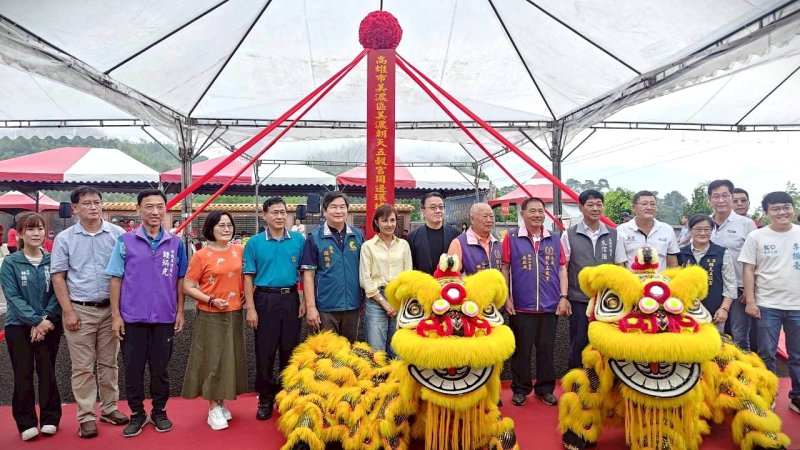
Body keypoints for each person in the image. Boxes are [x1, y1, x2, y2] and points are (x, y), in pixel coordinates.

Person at [106, 189, 187, 437]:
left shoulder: (176, 243)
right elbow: (116, 279)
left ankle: (159, 411)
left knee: (160, 369)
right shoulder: (125, 242)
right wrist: (116, 315)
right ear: (138, 209)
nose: (155, 212)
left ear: (166, 209)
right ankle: (137, 413)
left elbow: (180, 279)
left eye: (160, 206)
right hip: (132, 319)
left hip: (165, 318)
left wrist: (181, 311)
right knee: (133, 369)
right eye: (149, 206)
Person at [51, 186, 128, 439]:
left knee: (109, 363)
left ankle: (109, 408)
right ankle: (86, 416)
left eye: (97, 202)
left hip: (111, 310)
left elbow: (126, 273)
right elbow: (59, 278)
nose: (93, 207)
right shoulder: (65, 238)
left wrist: (120, 311)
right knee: (82, 367)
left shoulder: (118, 234)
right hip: (80, 310)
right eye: (87, 203)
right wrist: (69, 312)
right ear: (75, 208)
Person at [181, 211, 247, 430]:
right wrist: (210, 300)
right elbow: (188, 287)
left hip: (235, 311)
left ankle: (221, 401)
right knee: (211, 359)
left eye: (229, 225)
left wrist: (246, 293)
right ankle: (212, 407)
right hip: (210, 314)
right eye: (221, 225)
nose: (226, 229)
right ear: (210, 228)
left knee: (229, 358)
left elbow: (246, 278)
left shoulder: (240, 250)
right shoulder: (201, 255)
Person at [0, 213, 62, 441]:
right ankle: (25, 422)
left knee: (47, 372)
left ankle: (50, 418)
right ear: (20, 234)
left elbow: (58, 291)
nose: (36, 234)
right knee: (23, 374)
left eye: (40, 229)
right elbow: (12, 296)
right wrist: (35, 320)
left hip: (49, 325)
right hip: (18, 326)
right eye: (31, 229)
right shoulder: (11, 262)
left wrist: (45, 321)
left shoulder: (53, 259)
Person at [501, 197, 568, 408]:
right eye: (532, 211)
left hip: (549, 305)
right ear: (522, 214)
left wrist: (563, 297)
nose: (537, 215)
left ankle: (545, 389)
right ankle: (520, 390)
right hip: (521, 305)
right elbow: (505, 268)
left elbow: (562, 268)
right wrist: (506, 296)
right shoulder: (511, 238)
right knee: (522, 350)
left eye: (540, 211)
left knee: (547, 350)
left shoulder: (554, 238)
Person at [243, 197, 305, 421]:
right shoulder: (254, 243)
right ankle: (265, 398)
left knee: (290, 350)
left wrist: (306, 301)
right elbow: (248, 278)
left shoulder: (299, 240)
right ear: (265, 215)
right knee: (265, 351)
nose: (280, 217)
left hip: (290, 299)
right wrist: (250, 308)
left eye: (283, 212)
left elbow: (307, 274)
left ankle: (287, 397)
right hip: (264, 300)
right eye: (275, 212)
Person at [739, 191, 800, 415]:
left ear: (792, 209)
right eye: (775, 209)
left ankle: (797, 398)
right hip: (767, 304)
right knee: (766, 353)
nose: (782, 212)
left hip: (797, 306)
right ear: (766, 213)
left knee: (798, 355)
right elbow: (748, 269)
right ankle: (767, 395)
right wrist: (751, 301)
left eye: (786, 207)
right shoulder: (757, 237)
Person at [561, 190, 627, 369]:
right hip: (579, 299)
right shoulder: (569, 235)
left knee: (607, 344)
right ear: (581, 208)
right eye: (590, 205)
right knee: (579, 341)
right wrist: (564, 297)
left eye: (599, 204)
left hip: (608, 302)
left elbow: (620, 266)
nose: (595, 208)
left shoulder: (615, 235)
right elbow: (564, 268)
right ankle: (576, 384)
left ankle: (603, 387)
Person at [301, 192, 363, 343]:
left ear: (347, 210)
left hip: (352, 306)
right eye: (333, 207)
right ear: (324, 211)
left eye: (342, 207)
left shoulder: (358, 235)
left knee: (348, 353)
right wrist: (311, 307)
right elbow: (308, 275)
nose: (338, 211)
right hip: (325, 308)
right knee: (327, 356)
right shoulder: (315, 238)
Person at [707, 179, 757, 350]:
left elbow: (757, 259)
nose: (721, 200)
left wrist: (751, 290)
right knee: (711, 332)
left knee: (739, 336)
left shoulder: (746, 224)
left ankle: (743, 374)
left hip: (738, 289)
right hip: (710, 288)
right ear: (710, 200)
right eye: (716, 196)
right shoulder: (704, 224)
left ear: (731, 197)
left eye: (725, 196)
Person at [359, 205, 412, 358]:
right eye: (384, 220)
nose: (389, 224)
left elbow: (407, 276)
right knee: (377, 351)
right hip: (376, 300)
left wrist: (399, 300)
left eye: (392, 220)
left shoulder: (404, 245)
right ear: (376, 222)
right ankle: (379, 381)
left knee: (398, 349)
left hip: (399, 299)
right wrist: (384, 302)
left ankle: (396, 381)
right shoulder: (367, 246)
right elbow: (365, 279)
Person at [676, 215, 736, 333]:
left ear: (712, 230)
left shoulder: (722, 252)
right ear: (690, 230)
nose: (702, 233)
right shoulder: (680, 253)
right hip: (685, 311)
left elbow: (731, 284)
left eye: (707, 229)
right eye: (698, 229)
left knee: (715, 345)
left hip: (715, 310)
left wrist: (724, 308)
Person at [617, 190, 679, 272]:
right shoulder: (621, 230)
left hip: (659, 283)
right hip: (633, 283)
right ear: (633, 207)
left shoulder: (667, 229)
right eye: (644, 204)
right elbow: (620, 264)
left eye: (653, 204)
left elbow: (672, 263)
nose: (649, 207)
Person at [407, 192, 460, 275]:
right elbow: (411, 266)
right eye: (433, 207)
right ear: (423, 211)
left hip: (448, 284)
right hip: (424, 284)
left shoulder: (455, 234)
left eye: (441, 207)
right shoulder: (413, 237)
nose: (438, 211)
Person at [448, 203, 502, 274]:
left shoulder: (496, 242)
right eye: (485, 216)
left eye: (491, 216)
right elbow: (452, 276)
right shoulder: (459, 243)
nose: (489, 220)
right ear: (472, 219)